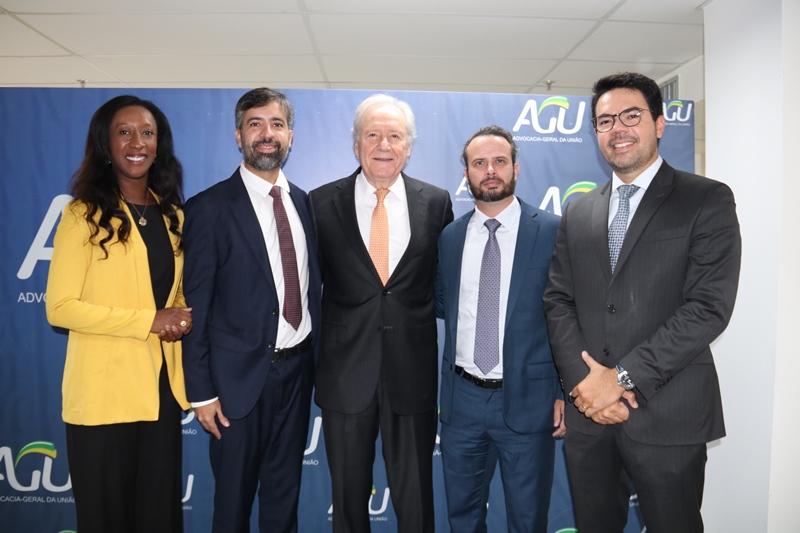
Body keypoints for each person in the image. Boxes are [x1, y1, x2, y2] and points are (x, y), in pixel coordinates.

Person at [543, 72, 742, 533]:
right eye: (605, 120)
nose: (618, 128)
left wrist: (620, 379)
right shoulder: (579, 210)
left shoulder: (705, 198)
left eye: (631, 116)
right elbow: (558, 300)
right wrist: (587, 387)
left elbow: (708, 307)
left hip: (668, 416)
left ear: (659, 123)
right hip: (590, 418)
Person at [45, 95, 191, 533]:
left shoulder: (173, 216)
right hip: (103, 398)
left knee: (158, 519)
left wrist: (182, 317)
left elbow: (174, 295)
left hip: (160, 395)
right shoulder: (82, 215)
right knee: (106, 520)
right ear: (105, 145)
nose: (137, 142)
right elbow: (60, 308)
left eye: (147, 133)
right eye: (124, 132)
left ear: (159, 145)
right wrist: (148, 320)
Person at [308, 94, 453, 533]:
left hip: (412, 376)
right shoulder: (319, 202)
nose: (384, 145)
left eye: (395, 136)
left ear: (408, 146)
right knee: (348, 503)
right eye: (373, 135)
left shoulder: (437, 202)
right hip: (345, 375)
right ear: (357, 144)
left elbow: (444, 284)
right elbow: (308, 286)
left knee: (416, 502)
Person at [181, 88, 321, 532]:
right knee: (233, 505)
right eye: (255, 124)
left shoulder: (306, 204)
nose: (267, 134)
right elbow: (195, 306)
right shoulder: (208, 209)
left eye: (277, 124)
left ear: (290, 136)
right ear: (238, 135)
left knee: (284, 498)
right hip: (235, 386)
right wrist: (201, 392)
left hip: (297, 374)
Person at [435, 125, 565, 533]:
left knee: (528, 520)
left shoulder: (552, 230)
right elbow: (443, 304)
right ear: (466, 174)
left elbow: (569, 315)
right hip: (461, 402)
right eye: (479, 163)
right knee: (463, 519)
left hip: (529, 400)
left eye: (499, 161)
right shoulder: (450, 237)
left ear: (515, 169)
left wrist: (563, 390)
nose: (490, 170)